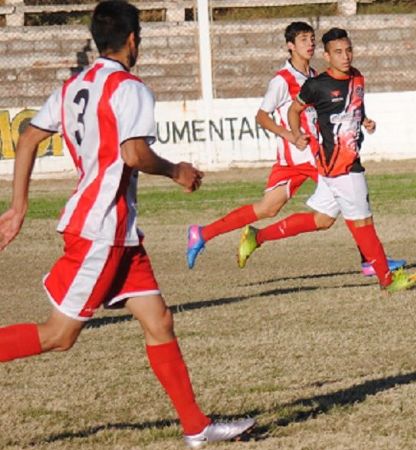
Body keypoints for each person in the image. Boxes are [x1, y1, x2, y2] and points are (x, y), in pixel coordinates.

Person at [0, 2, 253, 447]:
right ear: (133, 39)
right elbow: (134, 154)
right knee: (58, 336)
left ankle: (196, 427)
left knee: (159, 320)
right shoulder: (131, 89)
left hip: (117, 232)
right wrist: (177, 170)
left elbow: (27, 137)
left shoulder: (74, 86)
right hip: (100, 231)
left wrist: (17, 208)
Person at [186, 22, 405, 276]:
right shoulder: (282, 80)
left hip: (307, 156)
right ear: (290, 46)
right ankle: (371, 261)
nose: (309, 43)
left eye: (312, 39)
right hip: (303, 155)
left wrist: (361, 119)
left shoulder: (313, 76)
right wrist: (291, 135)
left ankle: (205, 233)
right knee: (350, 196)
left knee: (291, 212)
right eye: (303, 39)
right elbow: (261, 116)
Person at [242, 27, 416, 293]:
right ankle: (387, 279)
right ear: (326, 56)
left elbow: (354, 107)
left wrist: (365, 120)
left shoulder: (357, 78)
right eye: (338, 52)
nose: (345, 56)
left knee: (322, 220)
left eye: (349, 50)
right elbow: (294, 109)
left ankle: (258, 236)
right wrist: (296, 134)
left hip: (332, 168)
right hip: (341, 166)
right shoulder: (316, 85)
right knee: (363, 223)